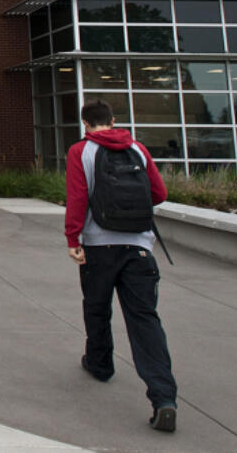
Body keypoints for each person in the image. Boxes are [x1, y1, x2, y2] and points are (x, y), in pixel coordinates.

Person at [65, 100, 178, 433]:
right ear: (113, 121)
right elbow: (158, 193)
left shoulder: (80, 151)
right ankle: (163, 397)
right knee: (145, 319)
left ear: (85, 123)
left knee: (97, 308)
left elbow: (78, 198)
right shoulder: (138, 149)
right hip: (139, 248)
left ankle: (99, 364)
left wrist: (73, 238)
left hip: (99, 247)